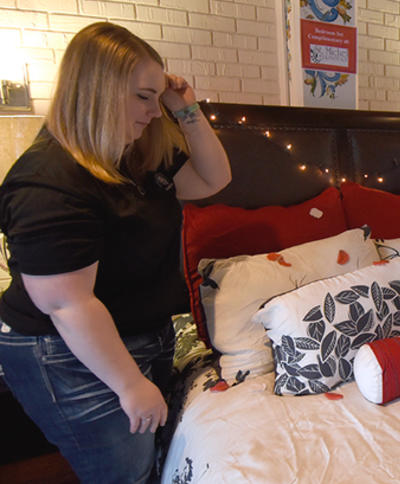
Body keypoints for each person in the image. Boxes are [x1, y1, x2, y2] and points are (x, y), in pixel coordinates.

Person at [0, 22, 231, 482]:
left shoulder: (135, 155)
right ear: (97, 91)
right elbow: (67, 304)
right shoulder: (49, 179)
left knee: (148, 463)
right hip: (66, 351)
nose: (152, 111)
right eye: (142, 96)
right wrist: (129, 384)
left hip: (143, 333)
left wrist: (185, 108)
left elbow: (214, 179)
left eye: (156, 95)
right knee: (124, 474)